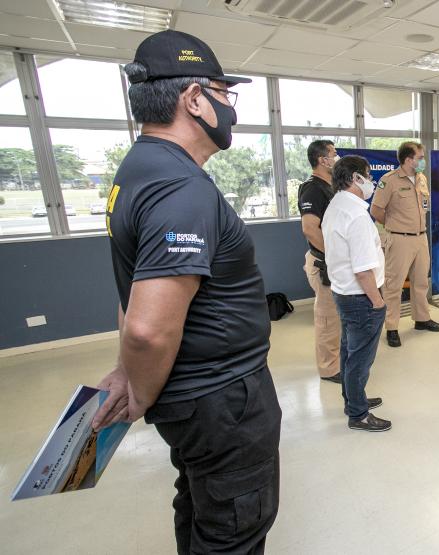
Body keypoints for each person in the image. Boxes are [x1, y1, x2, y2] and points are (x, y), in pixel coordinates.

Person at [90, 30, 281, 554]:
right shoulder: (180, 186)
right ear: (194, 99)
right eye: (224, 94)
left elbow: (136, 291)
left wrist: (129, 370)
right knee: (234, 530)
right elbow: (149, 328)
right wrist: (141, 391)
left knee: (201, 507)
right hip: (221, 400)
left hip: (200, 400)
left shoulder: (140, 169)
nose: (229, 108)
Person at [324, 155, 390, 432]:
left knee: (349, 354)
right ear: (355, 179)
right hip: (362, 298)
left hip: (343, 294)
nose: (371, 182)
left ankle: (353, 399)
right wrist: (377, 302)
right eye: (368, 176)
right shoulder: (357, 216)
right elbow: (363, 270)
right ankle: (358, 414)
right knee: (360, 359)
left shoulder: (336, 205)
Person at [370, 141, 439, 348]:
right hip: (399, 239)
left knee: (421, 282)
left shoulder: (421, 178)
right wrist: (394, 225)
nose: (423, 161)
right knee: (393, 285)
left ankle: (421, 319)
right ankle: (391, 327)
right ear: (408, 159)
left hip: (421, 238)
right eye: (420, 157)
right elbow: (376, 211)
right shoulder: (389, 180)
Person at [298, 139, 342, 384]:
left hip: (335, 262)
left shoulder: (331, 186)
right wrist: (334, 256)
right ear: (321, 159)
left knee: (337, 318)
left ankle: (337, 360)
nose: (336, 159)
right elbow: (310, 229)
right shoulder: (312, 188)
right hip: (323, 263)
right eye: (333, 154)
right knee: (327, 319)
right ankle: (329, 369)